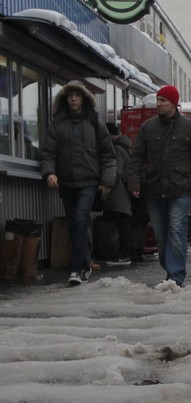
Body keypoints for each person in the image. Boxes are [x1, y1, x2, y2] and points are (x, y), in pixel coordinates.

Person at [126, 85, 191, 287]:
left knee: (176, 232)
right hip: (154, 189)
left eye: (163, 100)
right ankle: (169, 268)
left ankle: (176, 276)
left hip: (179, 190)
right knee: (161, 237)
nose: (159, 104)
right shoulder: (148, 127)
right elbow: (136, 157)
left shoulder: (189, 128)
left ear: (174, 103)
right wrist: (134, 181)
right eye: (158, 100)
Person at [40, 80, 116, 286]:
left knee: (81, 220)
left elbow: (108, 155)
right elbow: (48, 153)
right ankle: (84, 264)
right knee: (74, 224)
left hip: (89, 181)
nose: (73, 99)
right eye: (70, 95)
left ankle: (74, 269)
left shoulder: (95, 123)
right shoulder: (58, 124)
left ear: (84, 98)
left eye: (77, 95)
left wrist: (107, 181)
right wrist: (49, 173)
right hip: (65, 182)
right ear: (65, 98)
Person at [102, 122, 134, 266]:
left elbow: (116, 171)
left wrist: (106, 185)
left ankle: (123, 254)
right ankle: (124, 253)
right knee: (123, 223)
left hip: (117, 193)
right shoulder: (125, 147)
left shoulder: (116, 149)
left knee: (119, 224)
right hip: (124, 192)